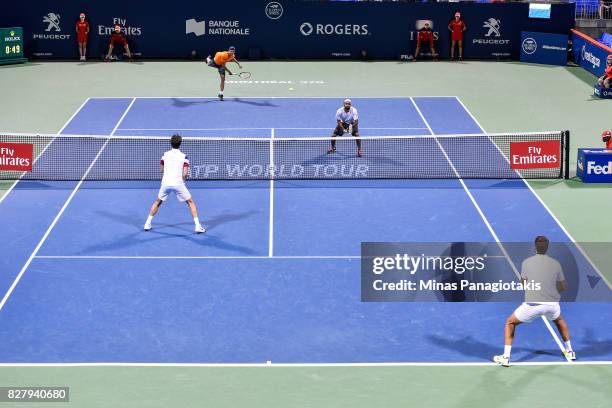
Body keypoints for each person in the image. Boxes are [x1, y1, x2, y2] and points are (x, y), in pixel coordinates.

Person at [493, 236, 575, 367]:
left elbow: (524, 284)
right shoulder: (555, 264)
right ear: (547, 248)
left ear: (534, 247)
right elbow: (562, 286)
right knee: (559, 320)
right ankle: (570, 351)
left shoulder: (527, 262)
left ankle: (506, 358)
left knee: (510, 322)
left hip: (532, 305)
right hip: (552, 304)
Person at [144, 134, 205, 233]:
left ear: (171, 143)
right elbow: (185, 173)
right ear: (180, 143)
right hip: (178, 183)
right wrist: (183, 180)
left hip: (166, 183)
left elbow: (161, 169)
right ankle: (198, 226)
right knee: (190, 202)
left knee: (158, 201)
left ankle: (147, 224)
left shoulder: (165, 155)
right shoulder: (184, 156)